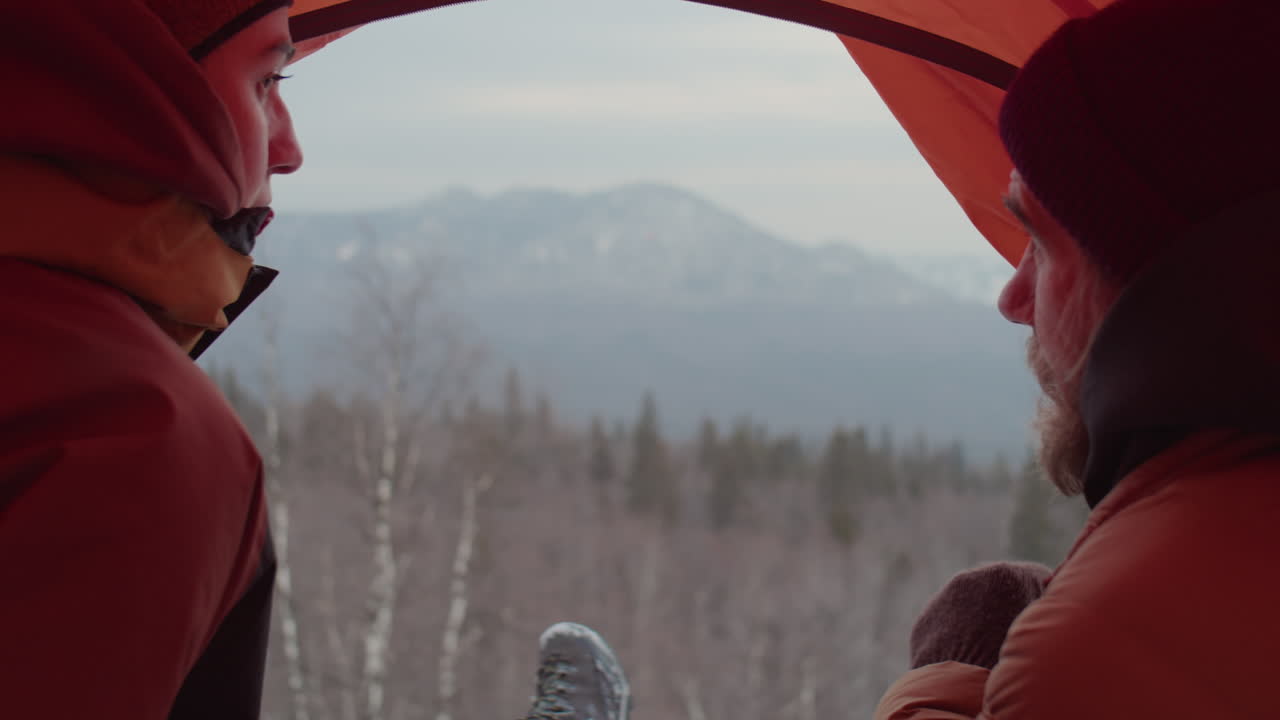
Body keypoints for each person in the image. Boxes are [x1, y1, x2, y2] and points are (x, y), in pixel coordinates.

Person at [873, 0, 1280, 716]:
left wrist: (946, 677)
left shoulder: (1121, 642)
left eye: (1038, 239)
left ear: (1142, 268)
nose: (1014, 296)